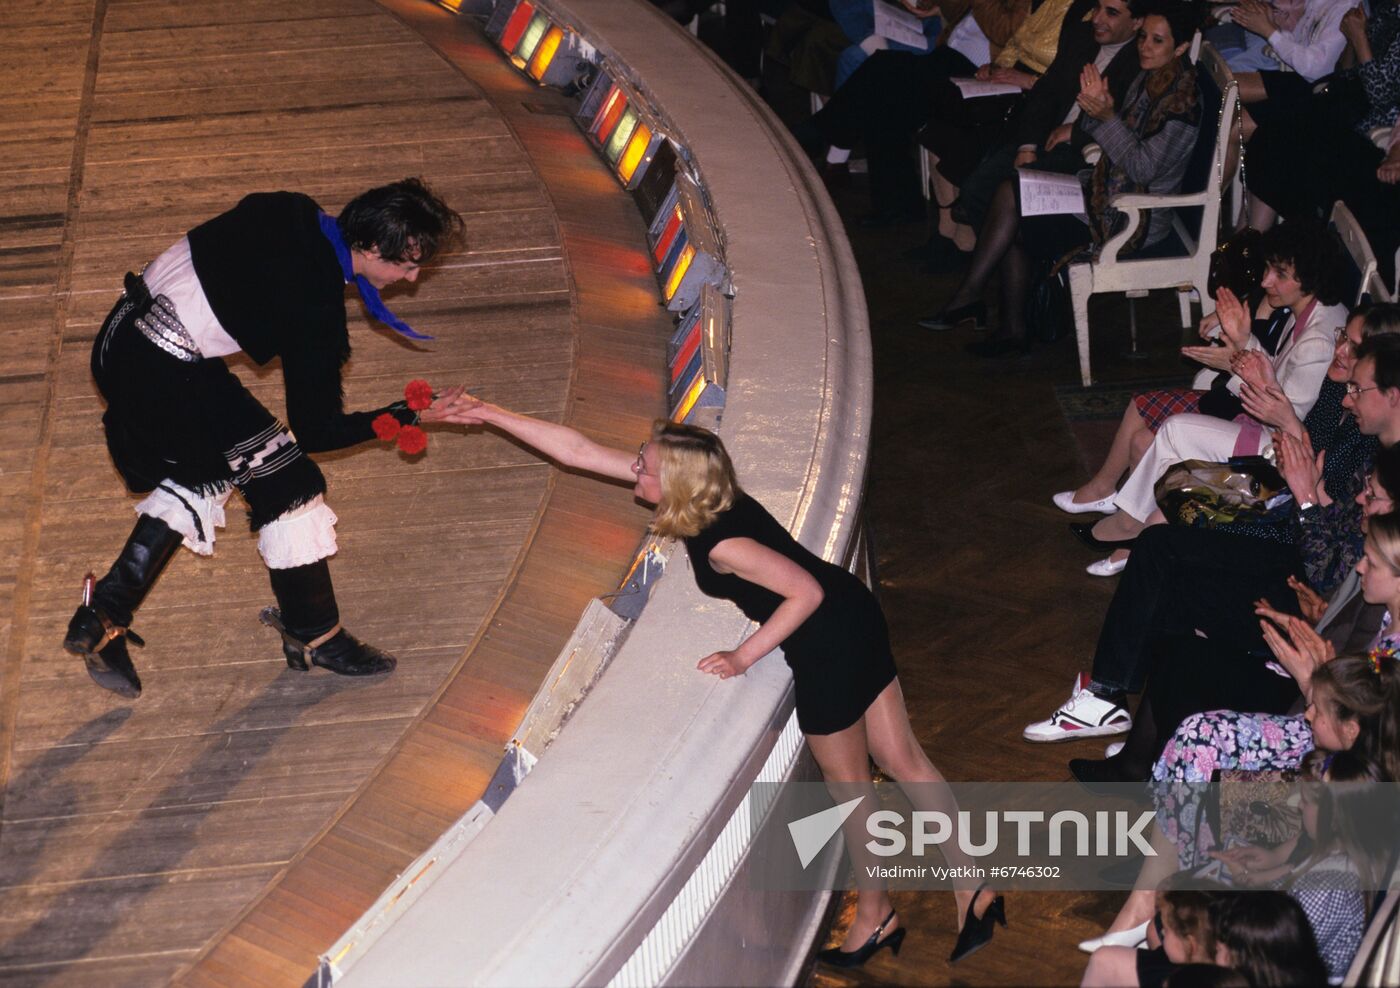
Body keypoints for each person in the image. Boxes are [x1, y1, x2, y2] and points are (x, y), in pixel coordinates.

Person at [445, 402, 1005, 965]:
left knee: (852, 790)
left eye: (644, 463)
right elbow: (580, 451)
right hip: (853, 615)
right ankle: (974, 890)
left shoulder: (719, 542)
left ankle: (875, 917)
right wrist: (487, 413)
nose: (634, 466)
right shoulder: (706, 495)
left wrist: (743, 656)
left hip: (827, 644)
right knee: (905, 760)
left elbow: (803, 593)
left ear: (676, 483)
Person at [65, 179, 471, 698]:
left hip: (121, 337)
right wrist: (409, 414)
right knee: (290, 482)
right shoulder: (316, 303)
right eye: (407, 265)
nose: (411, 278)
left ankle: (103, 615)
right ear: (370, 247)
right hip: (165, 374)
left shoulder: (291, 209)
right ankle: (316, 635)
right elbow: (319, 430)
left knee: (210, 468)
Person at [1023, 334, 1400, 747]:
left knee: (1171, 555)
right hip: (1296, 538)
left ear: (1393, 396)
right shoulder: (1371, 445)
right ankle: (1118, 704)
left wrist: (1308, 494)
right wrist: (1307, 486)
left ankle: (1122, 708)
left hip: (1304, 572)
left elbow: (1332, 570)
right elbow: (1327, 508)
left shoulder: (1389, 472)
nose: (1348, 399)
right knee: (1164, 542)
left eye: (1358, 390)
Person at [920, 0, 1203, 355]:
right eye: (1144, 37)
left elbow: (1143, 169)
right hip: (1104, 188)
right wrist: (1096, 119)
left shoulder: (1181, 100)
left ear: (1179, 47)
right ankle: (1003, 319)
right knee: (1011, 196)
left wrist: (1104, 116)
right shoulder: (1154, 74)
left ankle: (989, 309)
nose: (1144, 46)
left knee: (1012, 200)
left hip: (1134, 215)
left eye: (1156, 41)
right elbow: (1091, 116)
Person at [1072, 222, 1350, 574]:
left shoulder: (1319, 341)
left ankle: (1129, 529)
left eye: (1280, 274)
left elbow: (1277, 413)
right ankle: (1134, 533)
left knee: (1174, 430)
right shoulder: (1307, 309)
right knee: (1151, 438)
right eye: (1269, 269)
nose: (1266, 281)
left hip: (1276, 446)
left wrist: (1239, 351)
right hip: (1268, 423)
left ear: (1310, 278)